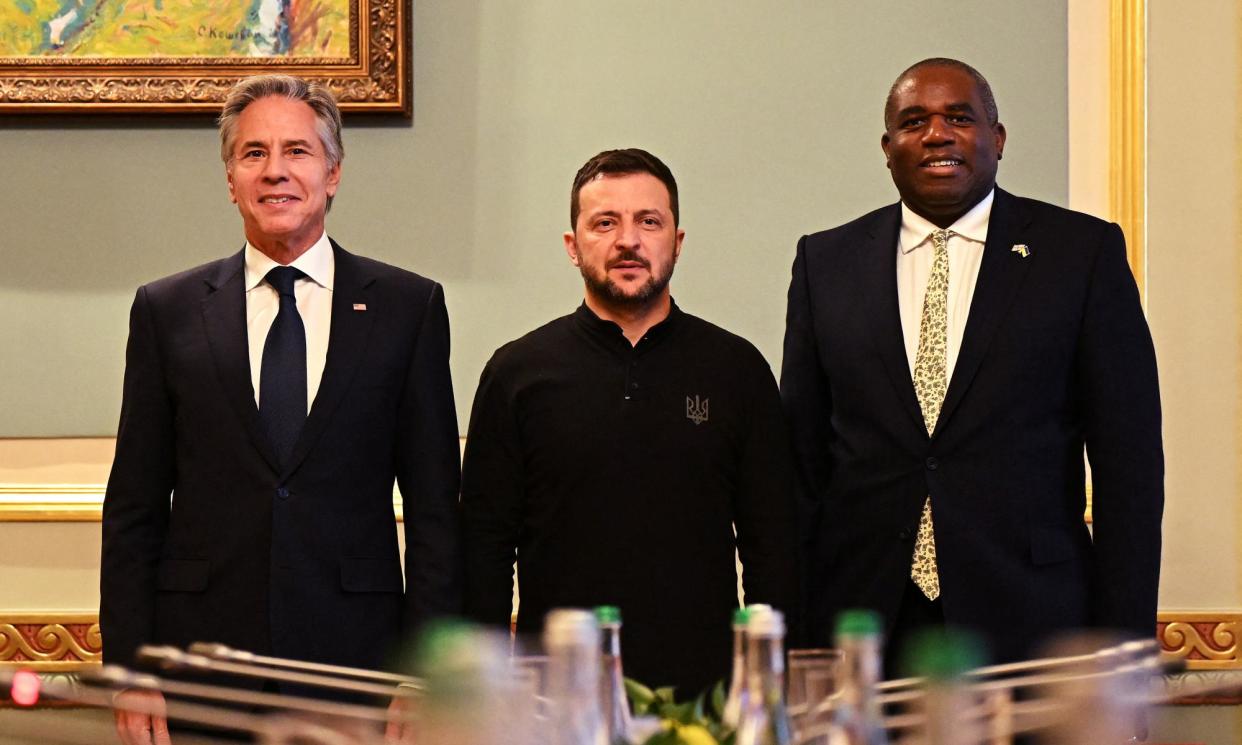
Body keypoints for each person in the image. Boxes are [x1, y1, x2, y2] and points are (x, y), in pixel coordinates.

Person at [100, 74, 462, 742]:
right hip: (199, 666)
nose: (275, 172)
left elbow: (438, 511)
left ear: (332, 173)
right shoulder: (167, 310)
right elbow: (134, 509)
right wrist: (130, 667)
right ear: (230, 177)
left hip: (359, 666)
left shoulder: (407, 309)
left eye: (297, 151)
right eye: (253, 153)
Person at [780, 58, 1163, 669]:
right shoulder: (825, 263)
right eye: (914, 122)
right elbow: (800, 468)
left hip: (1034, 624)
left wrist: (1124, 657)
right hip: (865, 623)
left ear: (998, 138)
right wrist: (796, 645)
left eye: (959, 117)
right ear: (887, 148)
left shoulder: (1080, 255)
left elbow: (1130, 472)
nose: (937, 134)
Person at [461, 148, 798, 696]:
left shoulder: (737, 370)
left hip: (705, 696)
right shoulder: (516, 373)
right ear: (573, 246)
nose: (628, 240)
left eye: (649, 221)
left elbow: (772, 545)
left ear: (677, 242)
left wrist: (767, 681)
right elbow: (485, 548)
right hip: (556, 697)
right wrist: (488, 689)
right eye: (605, 223)